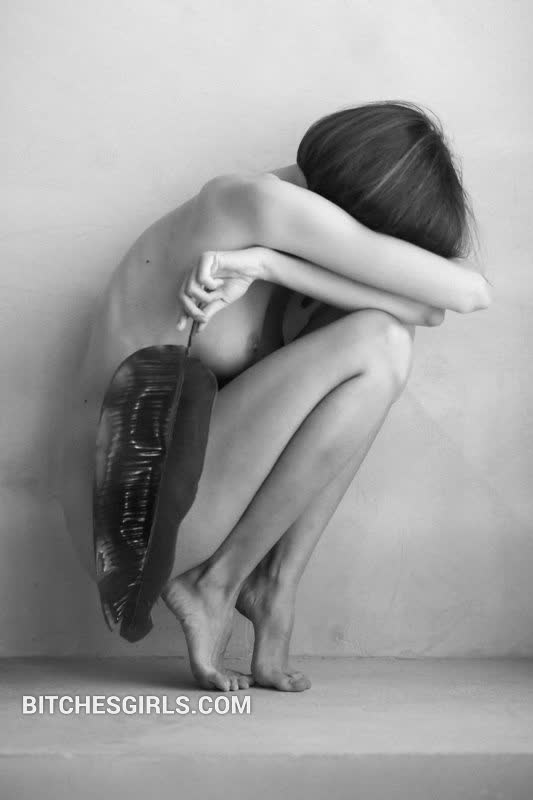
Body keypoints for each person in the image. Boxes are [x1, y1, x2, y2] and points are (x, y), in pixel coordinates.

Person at [59, 101, 490, 693]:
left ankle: (270, 586)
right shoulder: (254, 202)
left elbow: (429, 309)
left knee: (386, 330)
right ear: (355, 208)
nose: (378, 252)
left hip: (181, 497)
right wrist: (271, 262)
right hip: (120, 519)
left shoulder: (273, 231)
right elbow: (466, 296)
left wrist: (269, 266)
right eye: (379, 239)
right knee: (380, 340)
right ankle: (217, 584)